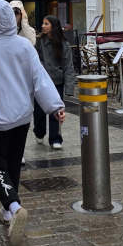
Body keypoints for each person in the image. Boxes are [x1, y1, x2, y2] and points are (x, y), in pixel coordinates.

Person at [0, 0, 65, 246]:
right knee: (13, 163)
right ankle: (7, 210)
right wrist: (55, 106)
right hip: (22, 116)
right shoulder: (24, 46)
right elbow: (40, 79)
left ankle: (15, 207)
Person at [34, 15, 74, 149]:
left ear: (53, 26)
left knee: (56, 111)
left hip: (57, 81)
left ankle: (55, 138)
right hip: (41, 82)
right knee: (39, 111)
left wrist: (69, 88)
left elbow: (69, 66)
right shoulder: (39, 41)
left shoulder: (64, 44)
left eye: (46, 24)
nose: (43, 26)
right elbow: (34, 60)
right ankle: (39, 132)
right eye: (43, 23)